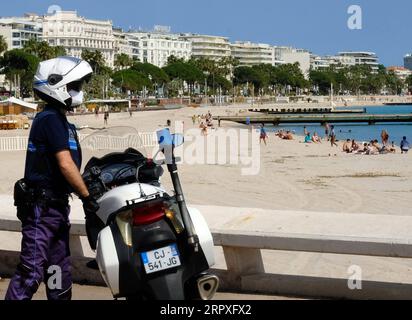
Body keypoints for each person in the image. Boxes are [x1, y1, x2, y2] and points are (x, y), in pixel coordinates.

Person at [5, 57, 99, 300]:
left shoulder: (62, 122)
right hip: (41, 209)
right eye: (75, 85)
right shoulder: (49, 119)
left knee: (58, 269)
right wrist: (87, 197)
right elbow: (65, 164)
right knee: (32, 271)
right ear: (57, 85)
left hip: (56, 207)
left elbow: (70, 167)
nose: (79, 91)